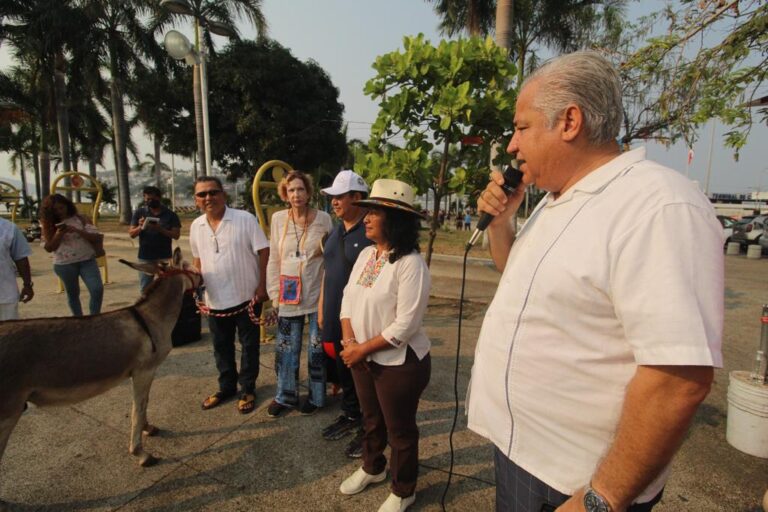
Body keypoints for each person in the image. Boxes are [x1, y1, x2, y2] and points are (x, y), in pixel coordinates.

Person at [468, 51, 723, 512]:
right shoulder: (554, 200)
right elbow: (519, 278)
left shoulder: (657, 205)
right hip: (521, 453)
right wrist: (502, 224)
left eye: (522, 127)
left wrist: (602, 497)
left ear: (569, 122)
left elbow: (678, 378)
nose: (512, 146)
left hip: (575, 482)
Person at [337, 179, 431, 512]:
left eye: (375, 212)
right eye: (368, 212)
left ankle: (404, 490)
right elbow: (348, 299)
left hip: (399, 363)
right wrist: (351, 342)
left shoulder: (411, 263)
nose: (366, 218)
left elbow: (406, 325)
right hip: (361, 355)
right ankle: (373, 467)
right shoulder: (367, 254)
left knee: (399, 430)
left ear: (396, 220)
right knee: (371, 419)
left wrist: (361, 350)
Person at [190, 176, 270, 415]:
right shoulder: (196, 226)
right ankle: (226, 387)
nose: (208, 198)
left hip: (247, 297)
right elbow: (198, 260)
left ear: (223, 194)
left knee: (249, 346)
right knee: (221, 347)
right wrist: (196, 289)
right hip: (214, 299)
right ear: (196, 200)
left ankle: (247, 389)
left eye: (213, 192)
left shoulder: (244, 219)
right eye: (202, 194)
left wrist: (262, 286)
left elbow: (264, 251)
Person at [266, 170, 332, 417]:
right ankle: (285, 396)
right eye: (291, 190)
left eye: (300, 189)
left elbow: (330, 257)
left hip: (316, 293)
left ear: (308, 192)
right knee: (286, 348)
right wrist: (274, 293)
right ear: (285, 194)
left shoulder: (323, 219)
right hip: (288, 294)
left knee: (316, 349)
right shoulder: (278, 220)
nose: (296, 194)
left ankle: (317, 397)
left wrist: (330, 294)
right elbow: (274, 257)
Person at [317, 170, 373, 458]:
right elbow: (328, 271)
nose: (334, 202)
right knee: (342, 367)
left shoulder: (371, 232)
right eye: (333, 197)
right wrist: (322, 307)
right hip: (333, 314)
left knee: (364, 372)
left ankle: (371, 426)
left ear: (357, 197)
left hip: (359, 319)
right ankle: (351, 412)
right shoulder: (336, 231)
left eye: (340, 196)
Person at [40, 194, 104, 316]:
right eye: (55, 210)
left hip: (87, 260)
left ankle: (94, 316)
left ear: (67, 206)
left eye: (61, 208)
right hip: (64, 264)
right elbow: (49, 248)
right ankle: (78, 318)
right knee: (73, 293)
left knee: (97, 289)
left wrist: (77, 230)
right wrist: (59, 234)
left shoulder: (81, 219)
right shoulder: (48, 224)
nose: (59, 212)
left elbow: (96, 237)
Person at [128, 186, 181, 291]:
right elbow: (131, 234)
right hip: (145, 256)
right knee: (145, 288)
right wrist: (141, 227)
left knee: (166, 287)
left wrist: (160, 229)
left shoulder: (170, 215)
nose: (150, 201)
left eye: (153, 199)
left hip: (164, 257)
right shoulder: (140, 213)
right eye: (147, 199)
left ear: (159, 198)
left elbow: (176, 235)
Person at [0, 217, 34, 320]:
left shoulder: (9, 228)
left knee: (8, 329)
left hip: (5, 296)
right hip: (5, 295)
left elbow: (21, 258)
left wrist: (27, 284)